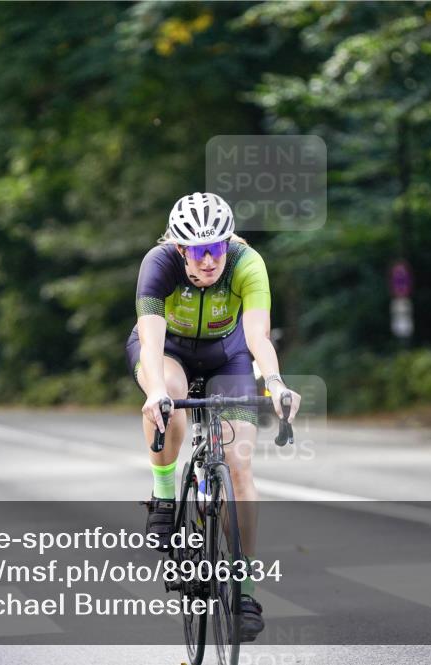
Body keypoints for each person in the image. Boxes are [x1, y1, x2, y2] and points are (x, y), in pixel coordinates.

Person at [126, 192, 301, 639]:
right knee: (171, 398)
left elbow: (258, 336)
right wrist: (156, 390)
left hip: (229, 357)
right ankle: (164, 497)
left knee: (239, 464)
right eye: (198, 251)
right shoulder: (158, 264)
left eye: (217, 248)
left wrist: (276, 382)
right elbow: (149, 340)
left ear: (228, 242)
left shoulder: (247, 263)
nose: (209, 260)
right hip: (167, 351)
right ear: (180, 249)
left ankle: (244, 589)